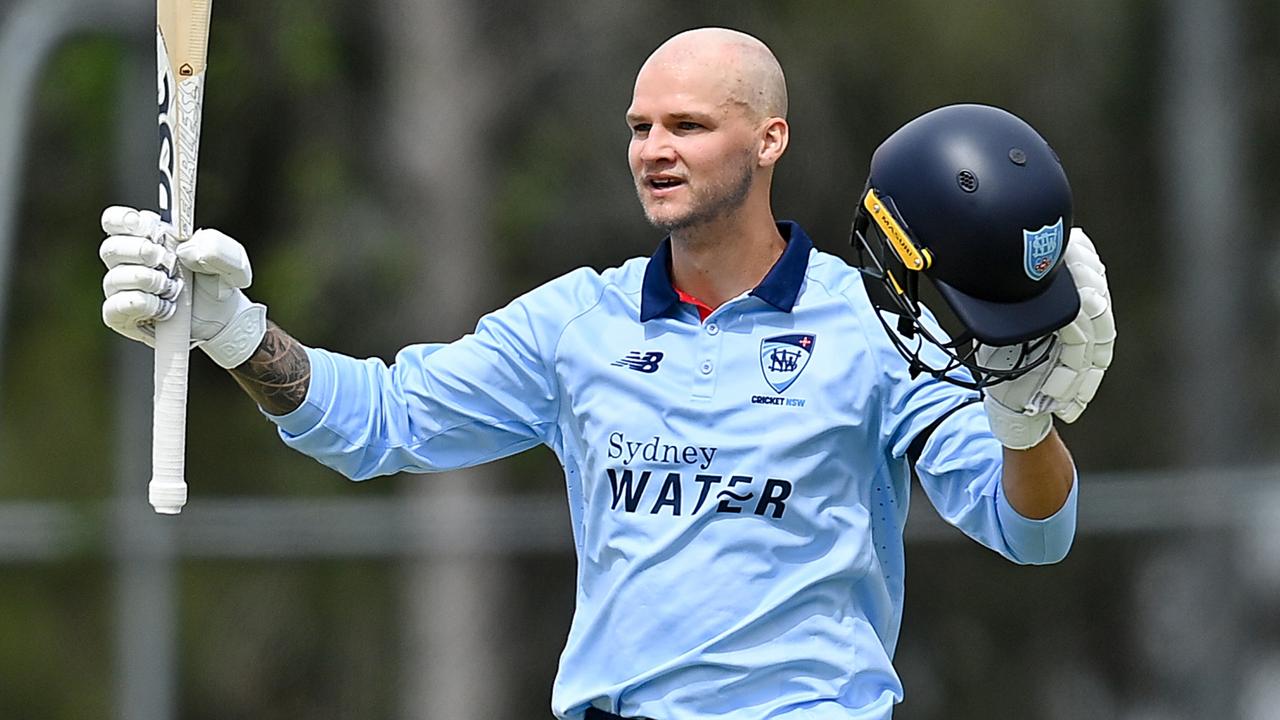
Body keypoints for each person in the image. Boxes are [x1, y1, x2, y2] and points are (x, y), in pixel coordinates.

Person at [98, 27, 1113, 720]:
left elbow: (1033, 530)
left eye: (685, 127)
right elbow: (379, 423)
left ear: (769, 139)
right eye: (638, 128)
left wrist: (1022, 417)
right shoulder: (575, 321)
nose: (652, 151)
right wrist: (230, 331)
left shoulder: (868, 322)